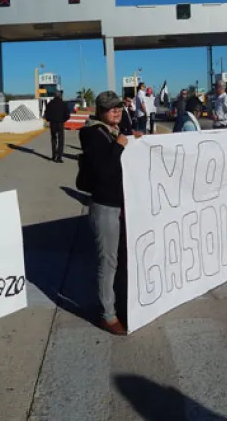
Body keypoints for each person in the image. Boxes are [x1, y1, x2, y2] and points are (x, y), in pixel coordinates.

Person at [79, 91, 133, 336]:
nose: (117, 111)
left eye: (119, 107)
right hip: (105, 206)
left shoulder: (113, 130)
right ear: (100, 111)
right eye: (111, 108)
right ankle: (108, 316)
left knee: (120, 258)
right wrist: (121, 146)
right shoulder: (91, 133)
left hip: (120, 204)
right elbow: (104, 170)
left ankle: (120, 303)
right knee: (108, 261)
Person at [43, 90, 70, 162]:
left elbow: (46, 114)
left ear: (54, 96)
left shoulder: (50, 104)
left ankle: (53, 156)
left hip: (53, 123)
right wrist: (63, 120)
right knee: (61, 140)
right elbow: (67, 115)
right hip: (60, 123)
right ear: (60, 95)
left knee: (53, 139)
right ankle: (59, 157)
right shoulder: (63, 104)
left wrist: (49, 120)